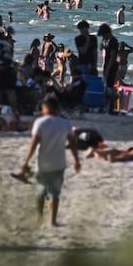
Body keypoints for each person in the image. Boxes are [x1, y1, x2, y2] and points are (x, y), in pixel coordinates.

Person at [14, 95, 81, 227]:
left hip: (43, 162)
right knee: (55, 193)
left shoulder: (40, 122)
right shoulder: (65, 123)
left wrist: (25, 163)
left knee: (40, 191)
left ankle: (39, 218)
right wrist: (77, 160)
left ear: (45, 108)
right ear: (58, 109)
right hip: (59, 162)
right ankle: (53, 221)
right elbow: (73, 143)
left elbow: (33, 144)